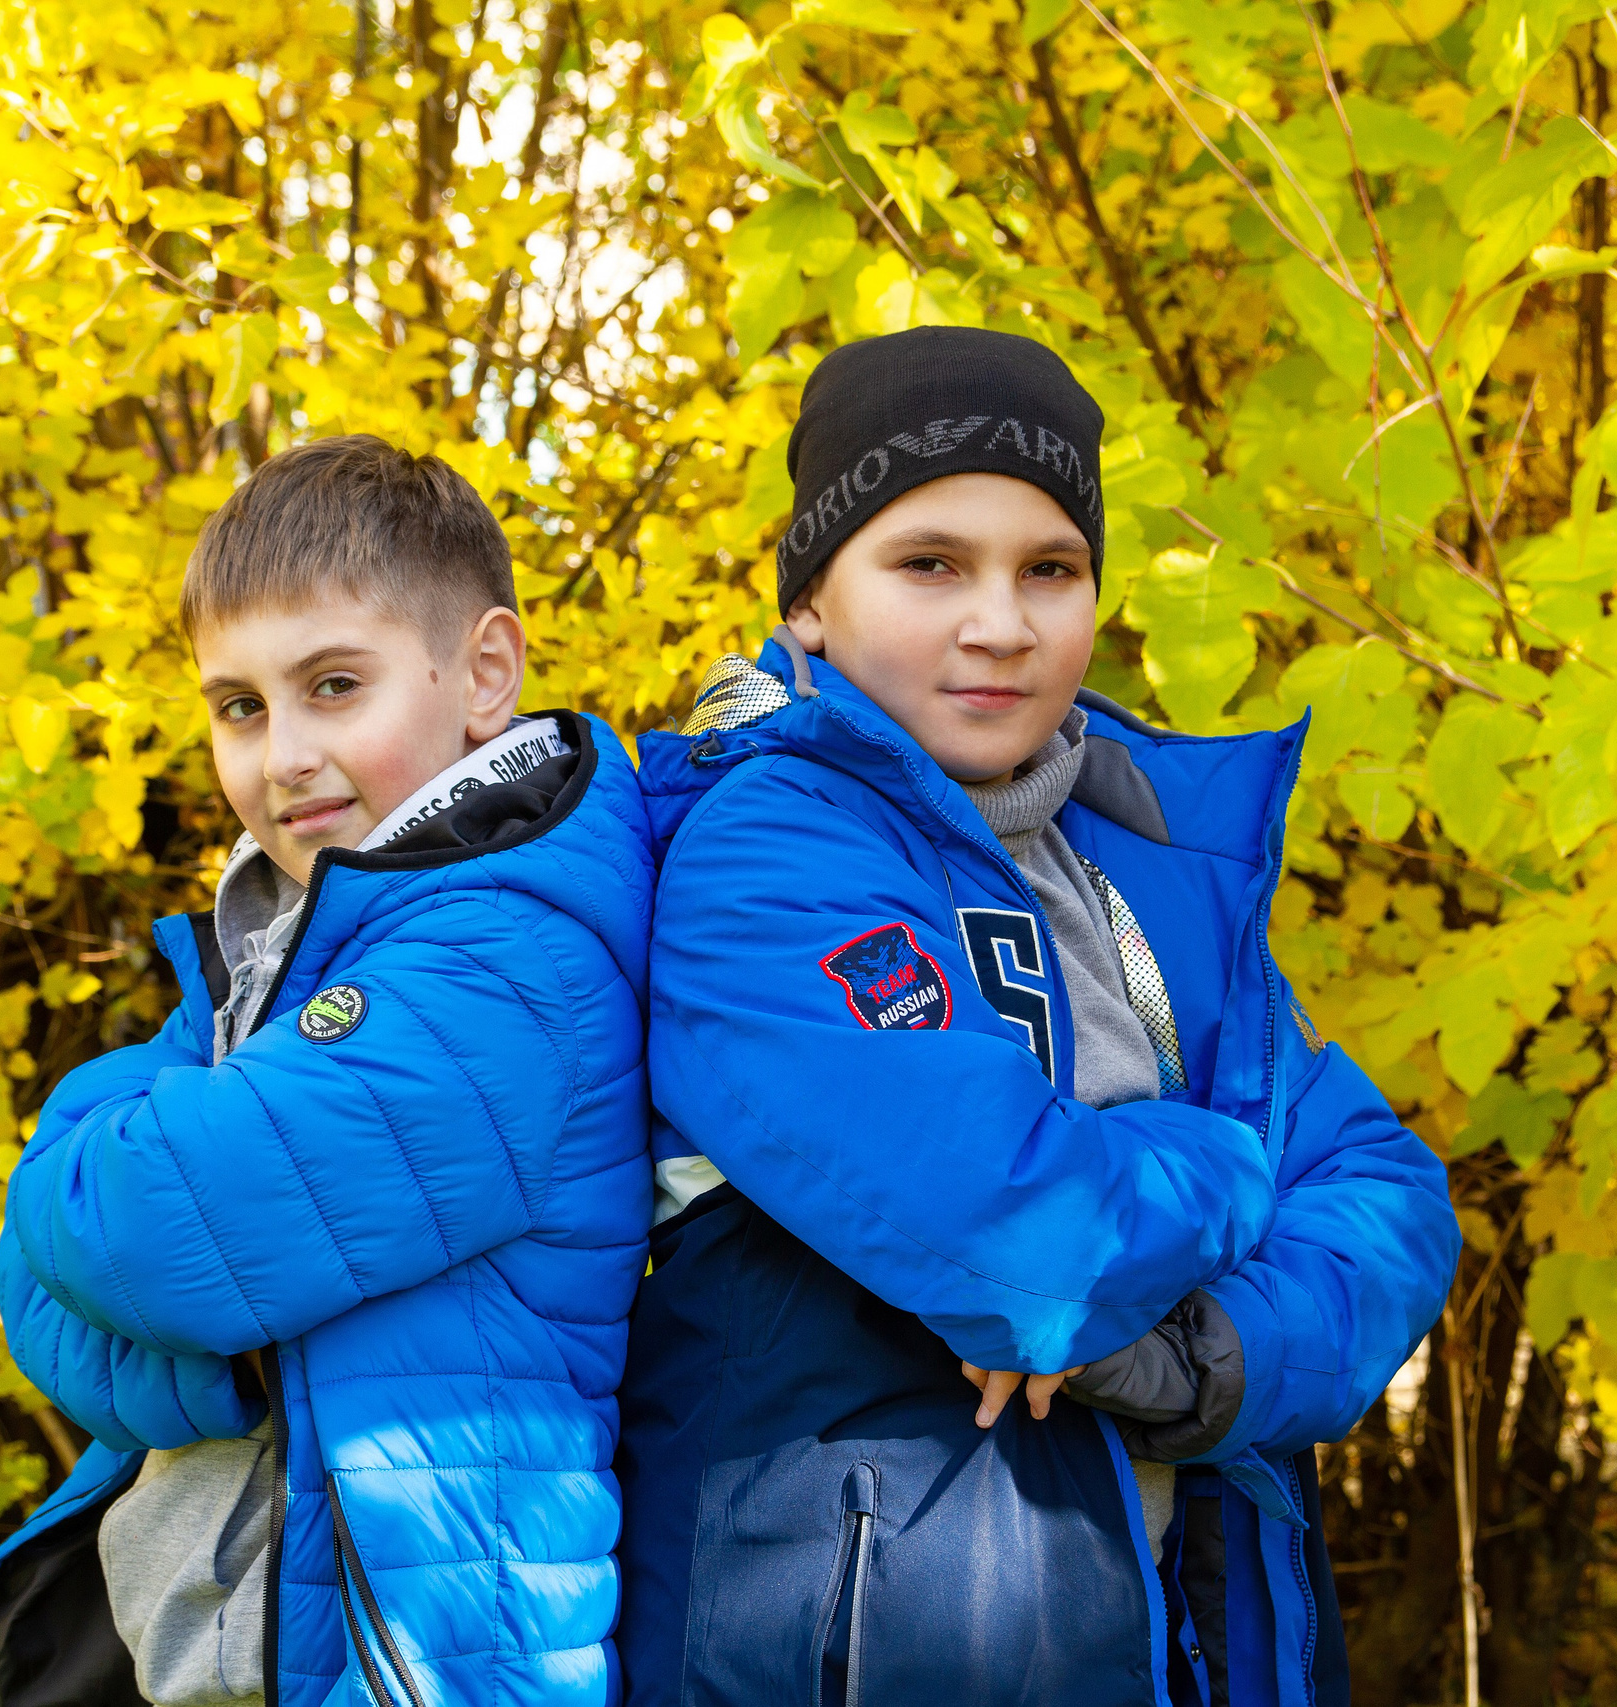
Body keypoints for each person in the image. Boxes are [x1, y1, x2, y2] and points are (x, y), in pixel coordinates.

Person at [615, 327, 1458, 1707]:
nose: (1000, 623)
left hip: (1187, 1626)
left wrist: (1199, 1358)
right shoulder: (761, 849)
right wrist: (1228, 1154)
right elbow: (1022, 1232)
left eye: (1049, 569)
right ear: (809, 601)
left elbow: (1393, 1199)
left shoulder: (1150, 866)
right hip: (872, 1645)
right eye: (930, 563)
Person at [0, 436, 655, 1707]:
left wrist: (104, 1204)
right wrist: (235, 1362)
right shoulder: (295, 937)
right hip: (250, 1650)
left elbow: (141, 1232)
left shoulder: (507, 965)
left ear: (485, 671)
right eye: (240, 707)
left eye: (333, 686)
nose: (283, 756)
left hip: (413, 1662)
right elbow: (35, 1294)